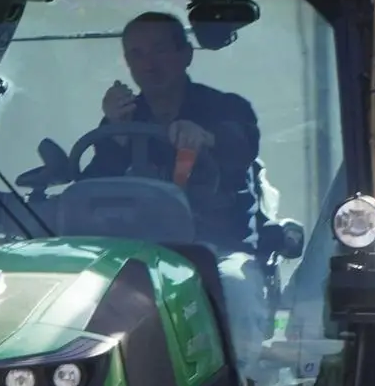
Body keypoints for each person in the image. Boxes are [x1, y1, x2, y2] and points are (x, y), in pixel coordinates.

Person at [81, 12, 262, 249]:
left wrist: (206, 138)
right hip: (138, 246)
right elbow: (96, 192)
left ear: (186, 54)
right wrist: (118, 133)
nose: (149, 65)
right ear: (128, 62)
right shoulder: (122, 118)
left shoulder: (228, 107)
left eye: (160, 50)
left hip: (221, 247)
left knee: (237, 284)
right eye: (137, 54)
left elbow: (242, 148)